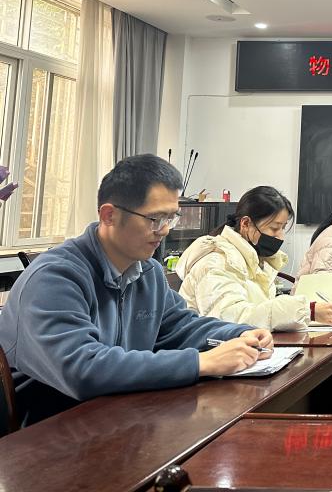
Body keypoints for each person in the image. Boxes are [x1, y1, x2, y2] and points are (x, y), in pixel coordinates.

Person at [0, 154, 273, 426]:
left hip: (118, 418)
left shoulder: (147, 271)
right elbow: (83, 368)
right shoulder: (55, 277)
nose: (164, 231)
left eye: (171, 218)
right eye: (155, 219)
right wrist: (201, 363)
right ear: (109, 215)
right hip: (48, 431)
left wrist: (239, 333)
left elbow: (180, 326)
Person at [175, 186, 332, 330]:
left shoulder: (257, 260)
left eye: (283, 228)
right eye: (274, 228)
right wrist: (306, 311)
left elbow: (261, 312)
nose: (280, 236)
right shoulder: (216, 262)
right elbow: (231, 318)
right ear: (245, 224)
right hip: (211, 356)